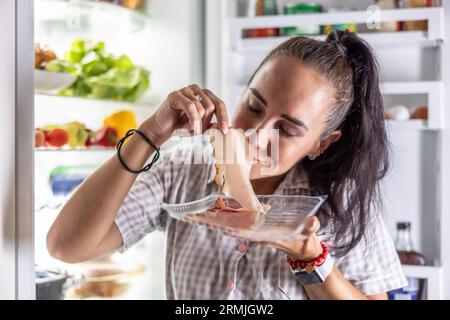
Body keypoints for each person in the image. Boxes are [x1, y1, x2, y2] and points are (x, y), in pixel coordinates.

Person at [47, 30, 407, 299]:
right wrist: (152, 133)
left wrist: (311, 259)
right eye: (253, 106)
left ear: (320, 144)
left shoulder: (339, 199)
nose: (256, 134)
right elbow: (67, 246)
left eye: (286, 130)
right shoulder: (182, 169)